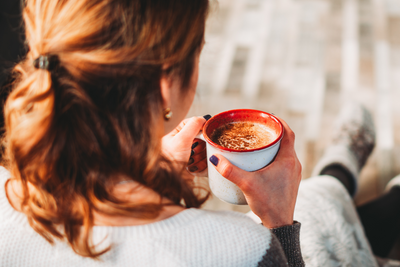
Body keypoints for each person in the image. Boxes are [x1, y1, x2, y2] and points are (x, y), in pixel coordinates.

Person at [0, 0, 304, 266]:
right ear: (166, 85)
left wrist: (147, 176)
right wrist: (279, 223)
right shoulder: (239, 248)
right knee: (319, 200)